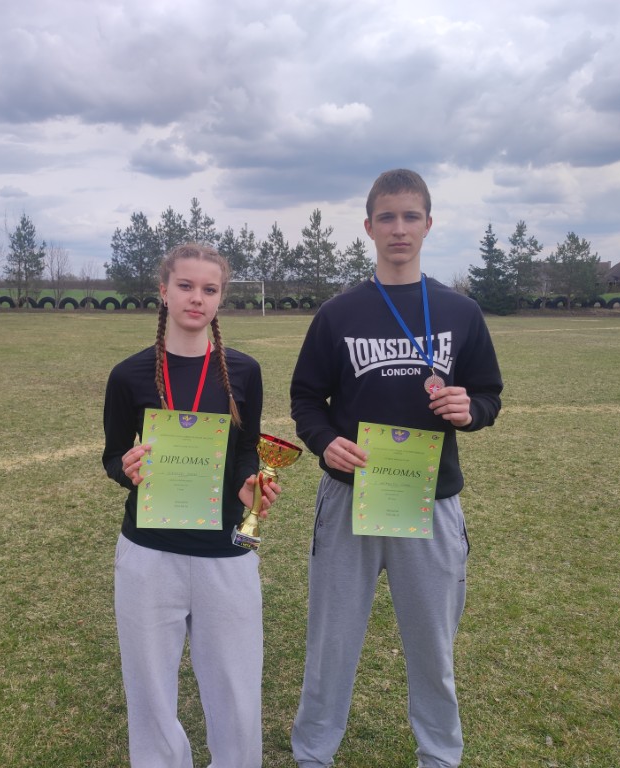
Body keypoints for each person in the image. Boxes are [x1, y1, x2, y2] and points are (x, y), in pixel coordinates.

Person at [289, 169, 503, 768]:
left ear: (428, 225)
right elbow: (305, 398)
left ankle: (439, 756)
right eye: (387, 217)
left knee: (433, 647)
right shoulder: (338, 313)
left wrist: (470, 410)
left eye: (411, 216)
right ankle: (313, 755)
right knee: (331, 643)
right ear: (369, 227)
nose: (399, 228)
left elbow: (488, 393)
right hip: (349, 497)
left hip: (430, 499)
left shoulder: (461, 311)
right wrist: (324, 442)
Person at [102, 242, 280, 768]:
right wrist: (127, 468)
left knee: (235, 686)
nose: (196, 298)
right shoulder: (129, 374)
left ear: (221, 297)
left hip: (225, 551)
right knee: (150, 689)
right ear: (164, 291)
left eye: (209, 289)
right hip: (149, 551)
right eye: (185, 286)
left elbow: (246, 449)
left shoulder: (243, 371)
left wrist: (249, 484)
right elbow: (113, 455)